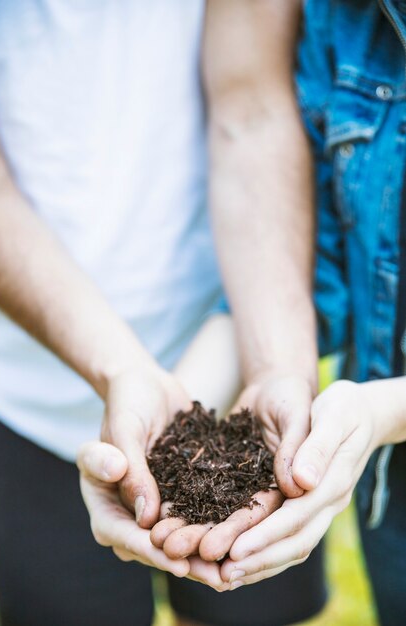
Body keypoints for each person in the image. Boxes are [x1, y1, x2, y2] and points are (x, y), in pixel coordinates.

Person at [0, 1, 327, 625]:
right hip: (25, 388)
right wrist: (122, 370)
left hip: (231, 336)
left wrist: (278, 364)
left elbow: (250, 110)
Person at [199, 2, 406, 625]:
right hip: (390, 481)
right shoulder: (341, 21)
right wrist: (270, 369)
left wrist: (378, 411)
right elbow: (255, 117)